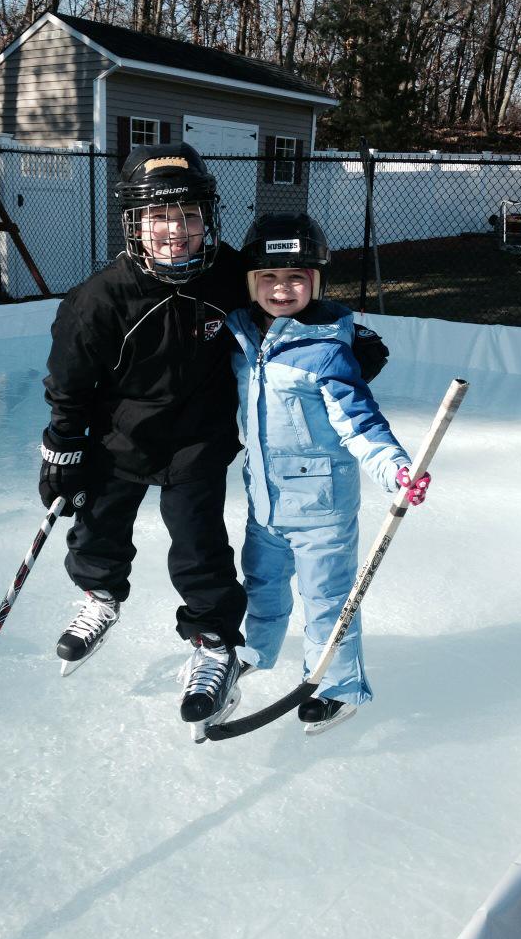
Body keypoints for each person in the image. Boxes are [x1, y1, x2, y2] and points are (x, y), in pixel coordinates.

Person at [38, 142, 249, 736]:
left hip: (198, 441)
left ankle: (213, 641)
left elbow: (290, 300)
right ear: (135, 223)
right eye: (159, 217)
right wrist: (62, 447)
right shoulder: (100, 298)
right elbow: (70, 382)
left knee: (198, 541)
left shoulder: (233, 276)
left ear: (207, 218)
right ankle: (101, 596)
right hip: (120, 440)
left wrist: (338, 336)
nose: (175, 232)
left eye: (187, 216)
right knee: (99, 523)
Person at [227, 213, 430, 734]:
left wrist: (395, 468)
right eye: (268, 278)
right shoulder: (243, 340)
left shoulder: (327, 352)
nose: (281, 289)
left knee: (327, 601)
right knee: (262, 586)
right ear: (252, 282)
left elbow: (360, 423)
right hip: (264, 503)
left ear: (316, 283)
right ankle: (256, 651)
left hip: (321, 508)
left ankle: (339, 687)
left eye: (296, 277)